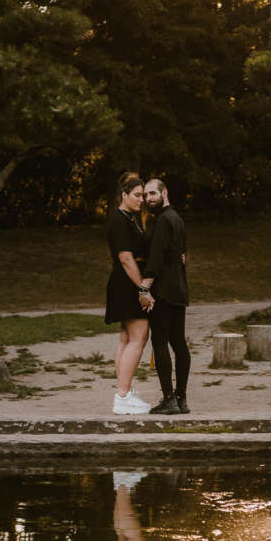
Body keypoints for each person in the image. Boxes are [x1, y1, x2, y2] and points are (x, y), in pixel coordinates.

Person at [138, 179, 191, 415]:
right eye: (146, 195)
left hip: (164, 290)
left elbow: (156, 258)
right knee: (179, 342)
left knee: (159, 341)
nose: (149, 198)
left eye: (152, 193)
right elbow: (182, 255)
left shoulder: (161, 221)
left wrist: (144, 288)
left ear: (164, 193)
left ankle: (169, 398)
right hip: (179, 288)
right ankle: (181, 399)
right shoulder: (177, 219)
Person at [105, 173, 154, 414]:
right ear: (124, 195)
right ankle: (122, 397)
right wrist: (143, 288)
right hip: (127, 283)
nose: (141, 199)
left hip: (125, 282)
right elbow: (125, 258)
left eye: (143, 196)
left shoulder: (131, 218)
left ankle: (124, 391)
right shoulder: (119, 220)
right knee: (139, 337)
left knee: (126, 339)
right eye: (137, 195)